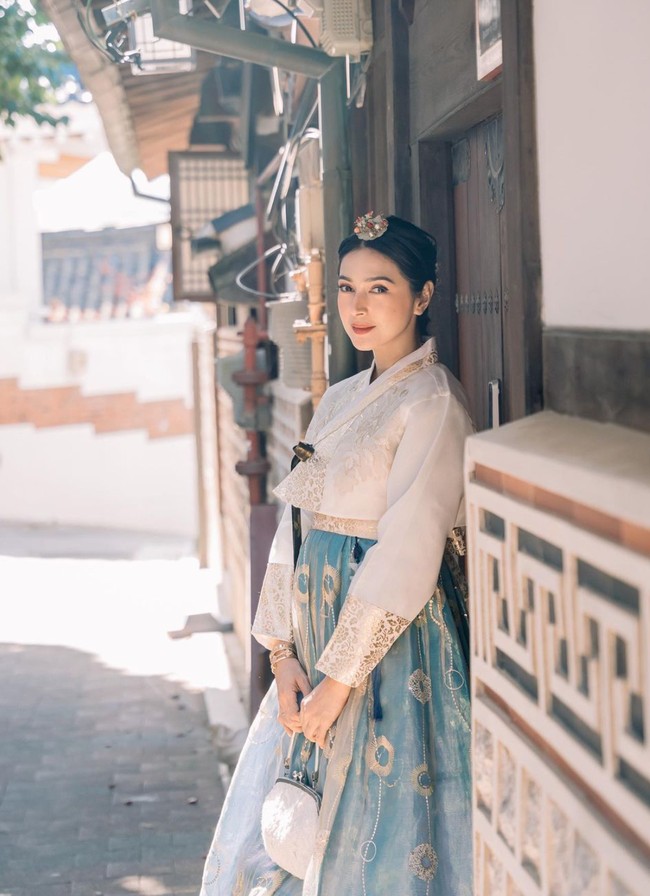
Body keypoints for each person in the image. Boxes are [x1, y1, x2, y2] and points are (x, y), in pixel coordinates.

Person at [200, 213, 473, 896]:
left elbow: (409, 549)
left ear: (422, 296)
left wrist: (339, 681)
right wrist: (282, 655)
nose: (357, 305)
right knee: (300, 819)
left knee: (379, 826)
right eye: (347, 286)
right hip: (314, 643)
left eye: (380, 288)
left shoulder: (432, 400)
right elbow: (297, 527)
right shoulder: (345, 397)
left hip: (386, 649)